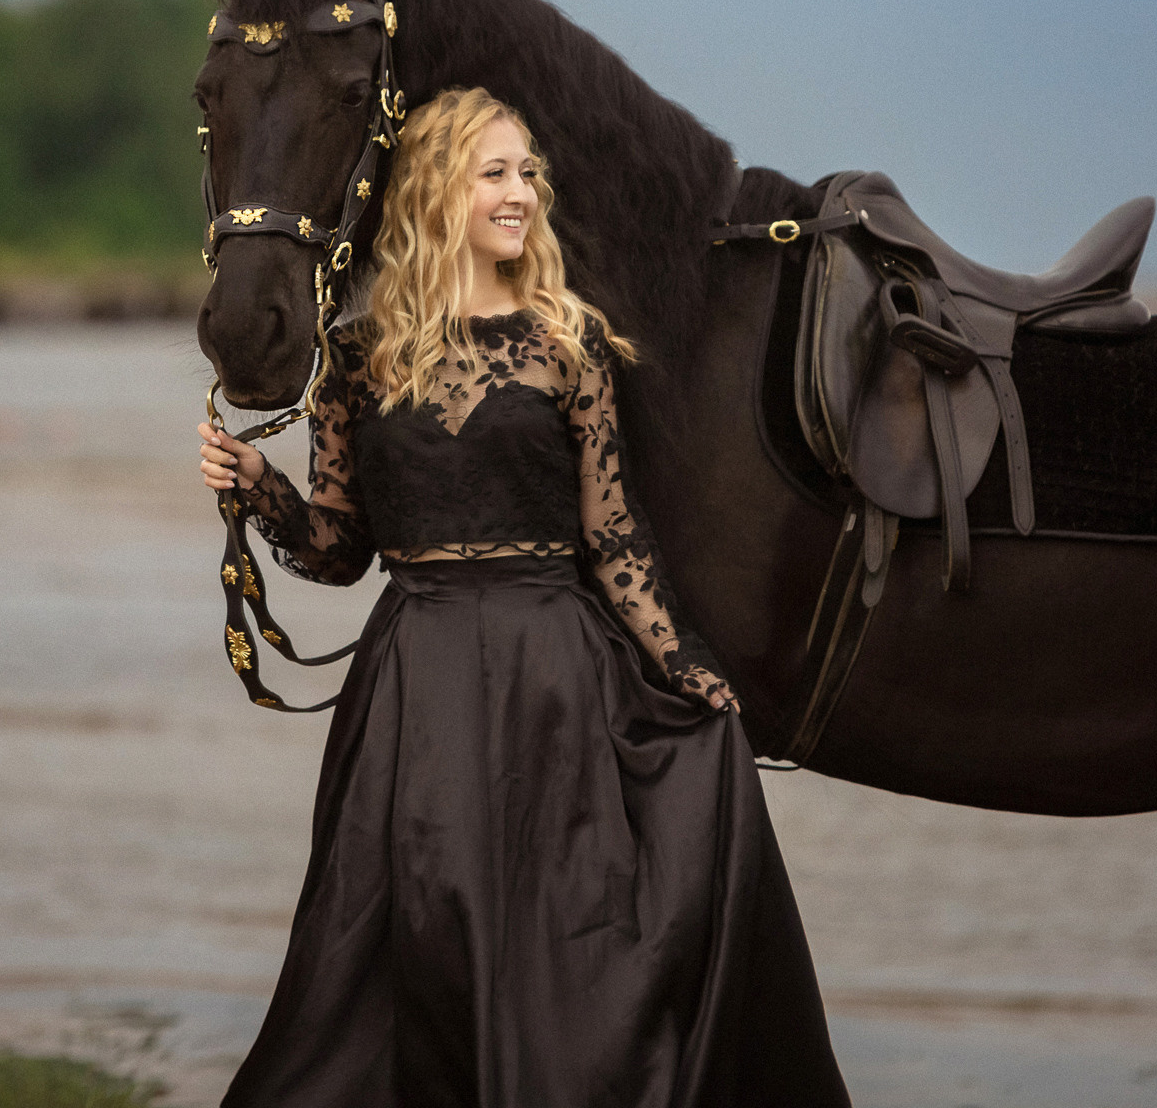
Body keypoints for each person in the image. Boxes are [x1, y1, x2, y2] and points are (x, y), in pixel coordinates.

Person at [196, 86, 850, 1108]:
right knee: (415, 932)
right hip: (414, 686)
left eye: (528, 173)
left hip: (559, 680)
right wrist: (257, 486)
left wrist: (689, 672)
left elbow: (614, 536)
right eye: (495, 172)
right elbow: (338, 551)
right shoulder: (357, 362)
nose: (521, 192)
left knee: (556, 944)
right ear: (436, 192)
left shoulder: (568, 345)